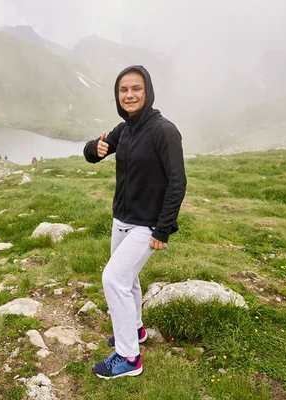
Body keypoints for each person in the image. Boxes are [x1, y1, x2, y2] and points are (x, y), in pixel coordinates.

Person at [83, 65, 187, 379]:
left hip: (147, 224)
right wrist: (94, 148)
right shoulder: (124, 129)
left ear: (148, 91)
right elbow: (94, 153)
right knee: (127, 280)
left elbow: (177, 182)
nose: (129, 95)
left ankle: (129, 358)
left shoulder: (163, 130)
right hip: (122, 219)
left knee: (113, 279)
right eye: (123, 90)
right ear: (118, 95)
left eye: (136, 89)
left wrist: (163, 228)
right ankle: (136, 329)